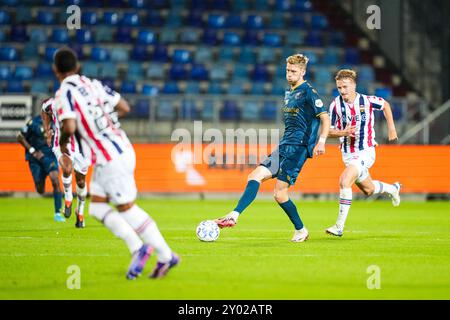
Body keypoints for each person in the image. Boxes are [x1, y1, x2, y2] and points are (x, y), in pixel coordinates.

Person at [52, 47, 179, 279]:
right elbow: (124, 107)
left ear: (55, 70)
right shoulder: (94, 84)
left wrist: (63, 147)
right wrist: (103, 123)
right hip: (120, 147)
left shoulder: (63, 94)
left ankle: (165, 256)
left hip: (110, 158)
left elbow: (68, 127)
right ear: (77, 67)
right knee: (97, 207)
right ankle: (139, 249)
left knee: (127, 209)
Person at [215, 54, 331, 242]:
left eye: (294, 71)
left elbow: (324, 118)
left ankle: (301, 230)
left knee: (279, 193)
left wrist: (322, 141)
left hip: (298, 148)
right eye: (287, 70)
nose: (289, 74)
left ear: (303, 71)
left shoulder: (309, 92)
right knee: (254, 176)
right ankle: (234, 215)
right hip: (284, 145)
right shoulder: (289, 91)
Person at [325, 69, 401, 237]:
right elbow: (328, 131)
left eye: (345, 87)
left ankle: (339, 227)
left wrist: (391, 128)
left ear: (353, 85)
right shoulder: (335, 105)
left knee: (344, 181)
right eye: (339, 88)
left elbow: (386, 105)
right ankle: (393, 188)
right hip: (347, 155)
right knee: (369, 189)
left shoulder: (367, 101)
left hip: (366, 151)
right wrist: (342, 132)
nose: (342, 91)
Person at [41, 97, 89, 228]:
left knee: (81, 182)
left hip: (82, 148)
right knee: (67, 169)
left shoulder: (85, 103)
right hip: (60, 143)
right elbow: (44, 110)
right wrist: (47, 131)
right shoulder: (54, 103)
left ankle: (80, 212)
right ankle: (68, 198)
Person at [17, 115, 64, 222]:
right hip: (36, 158)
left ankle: (57, 213)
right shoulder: (33, 123)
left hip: (50, 156)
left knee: (56, 181)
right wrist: (32, 151)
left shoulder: (56, 122)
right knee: (40, 189)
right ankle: (41, 177)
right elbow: (19, 136)